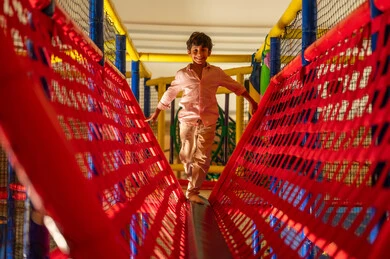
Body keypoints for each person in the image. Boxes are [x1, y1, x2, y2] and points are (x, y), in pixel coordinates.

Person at [146, 32, 258, 204]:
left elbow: (235, 86)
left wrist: (251, 101)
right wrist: (157, 111)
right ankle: (191, 183)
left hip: (208, 120)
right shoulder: (183, 74)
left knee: (203, 157)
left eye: (203, 50)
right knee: (186, 155)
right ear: (189, 53)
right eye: (195, 50)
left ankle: (192, 191)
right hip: (187, 120)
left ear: (209, 52)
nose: (199, 54)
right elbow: (171, 92)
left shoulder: (216, 73)